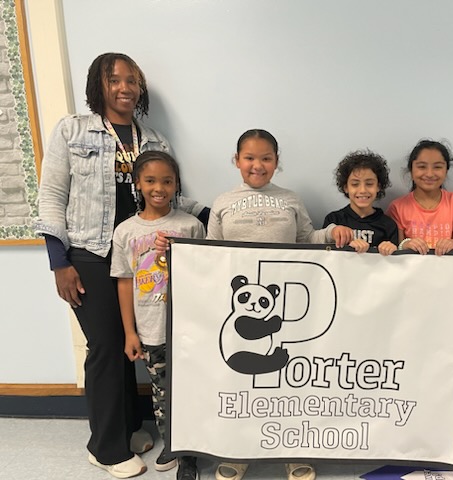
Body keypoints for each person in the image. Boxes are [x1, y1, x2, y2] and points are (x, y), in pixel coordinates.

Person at [34, 52, 208, 479]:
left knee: (139, 343)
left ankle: (129, 427)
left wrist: (218, 217)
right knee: (108, 346)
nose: (125, 87)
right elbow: (52, 194)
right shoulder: (72, 130)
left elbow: (171, 196)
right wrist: (59, 262)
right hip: (88, 252)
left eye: (133, 80)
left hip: (140, 253)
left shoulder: (154, 140)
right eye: (115, 80)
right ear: (99, 85)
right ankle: (105, 447)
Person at [157, 128, 352, 480]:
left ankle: (295, 449)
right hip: (240, 313)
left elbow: (308, 239)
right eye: (249, 157)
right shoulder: (224, 202)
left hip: (284, 307)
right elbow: (210, 256)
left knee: (289, 381)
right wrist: (175, 251)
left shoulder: (291, 199)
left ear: (277, 162)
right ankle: (237, 450)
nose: (257, 165)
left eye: (266, 158)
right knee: (241, 385)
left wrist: (333, 232)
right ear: (236, 161)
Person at [111, 151, 205, 480]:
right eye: (150, 180)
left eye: (167, 180)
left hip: (188, 326)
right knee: (162, 392)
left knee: (192, 387)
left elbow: (205, 272)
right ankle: (173, 444)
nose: (159, 187)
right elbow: (124, 282)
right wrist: (130, 332)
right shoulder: (126, 231)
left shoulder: (190, 225)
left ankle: (191, 453)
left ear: (176, 184)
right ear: (138, 183)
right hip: (151, 329)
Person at [387, 139, 453, 255]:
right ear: (411, 170)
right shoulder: (397, 207)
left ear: (446, 171)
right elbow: (397, 249)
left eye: (437, 167)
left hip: (447, 270)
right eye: (422, 167)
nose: (430, 174)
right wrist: (407, 244)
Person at [323, 149, 398, 255]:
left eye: (369, 184)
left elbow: (395, 262)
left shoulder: (388, 225)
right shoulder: (334, 220)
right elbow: (326, 256)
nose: (362, 190)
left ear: (378, 187)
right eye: (355, 184)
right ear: (346, 188)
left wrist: (390, 248)